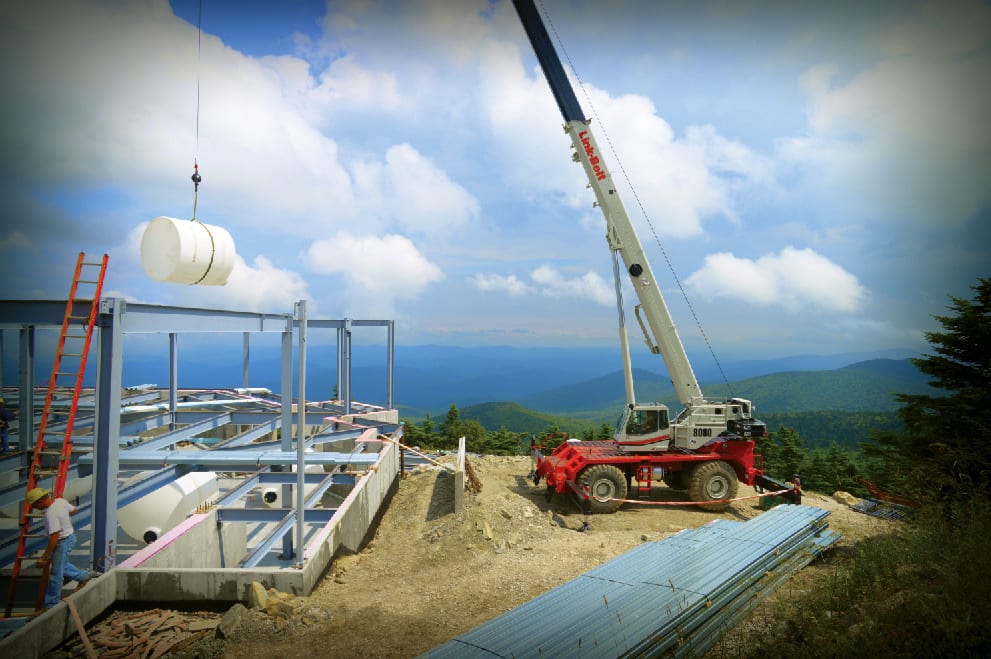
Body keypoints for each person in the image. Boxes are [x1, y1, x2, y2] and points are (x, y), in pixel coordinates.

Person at [25, 487, 93, 609]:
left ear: (40, 502)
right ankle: (84, 576)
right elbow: (74, 510)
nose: (36, 509)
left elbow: (55, 537)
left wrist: (45, 556)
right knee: (62, 565)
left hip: (63, 541)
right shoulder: (60, 501)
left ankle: (51, 605)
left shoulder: (51, 514)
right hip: (70, 537)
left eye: (35, 505)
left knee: (56, 573)